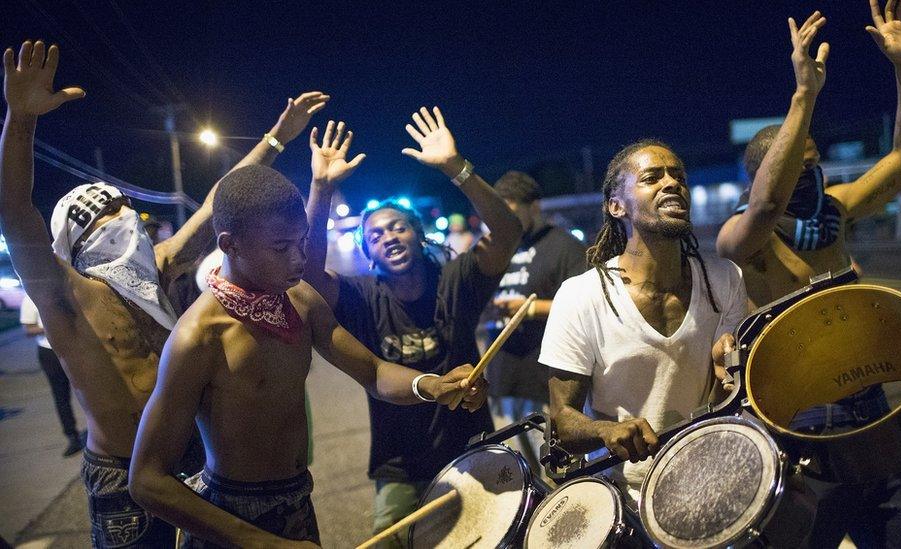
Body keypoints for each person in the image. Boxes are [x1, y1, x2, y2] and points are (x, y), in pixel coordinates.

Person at [0, 40, 328, 547]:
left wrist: (277, 138)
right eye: (102, 221)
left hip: (195, 463)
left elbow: (224, 197)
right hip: (122, 473)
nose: (121, 224)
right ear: (73, 244)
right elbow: (17, 213)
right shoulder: (66, 298)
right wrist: (20, 119)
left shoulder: (159, 266)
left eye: (122, 211)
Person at [128, 164, 486, 547]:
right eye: (281, 248)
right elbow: (147, 481)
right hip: (231, 517)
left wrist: (429, 385)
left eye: (303, 242)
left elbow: (374, 372)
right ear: (230, 245)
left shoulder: (298, 299)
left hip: (296, 498)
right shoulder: (198, 336)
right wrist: (265, 543)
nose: (299, 259)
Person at [716, 4, 901, 547]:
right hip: (798, 422)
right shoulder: (745, 238)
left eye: (815, 162)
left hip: (872, 408)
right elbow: (766, 207)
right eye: (797, 164)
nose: (811, 174)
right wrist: (804, 95)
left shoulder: (835, 210)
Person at [303, 109, 521, 546]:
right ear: (369, 254)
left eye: (398, 227)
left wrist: (456, 170)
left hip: (472, 447)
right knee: (387, 539)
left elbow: (509, 231)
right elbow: (306, 272)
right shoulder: (361, 296)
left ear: (416, 235)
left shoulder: (457, 280)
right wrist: (321, 188)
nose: (390, 237)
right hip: (398, 464)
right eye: (377, 236)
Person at [540, 138, 748, 502]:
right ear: (617, 206)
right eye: (652, 178)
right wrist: (607, 430)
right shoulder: (581, 296)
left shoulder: (724, 279)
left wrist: (727, 373)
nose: (672, 184)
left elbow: (725, 398)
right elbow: (561, 420)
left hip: (706, 473)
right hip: (625, 494)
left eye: (678, 176)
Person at [481, 170, 587, 474]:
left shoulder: (563, 246)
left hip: (545, 379)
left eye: (512, 212)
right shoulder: (496, 246)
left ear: (534, 206)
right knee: (517, 474)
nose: (506, 222)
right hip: (503, 376)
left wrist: (527, 309)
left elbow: (584, 306)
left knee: (557, 470)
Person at [19, 295, 84, 457]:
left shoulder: (61, 287)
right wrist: (51, 326)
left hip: (74, 348)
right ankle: (72, 437)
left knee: (89, 392)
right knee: (60, 396)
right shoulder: (30, 298)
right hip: (49, 352)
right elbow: (28, 329)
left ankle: (106, 431)